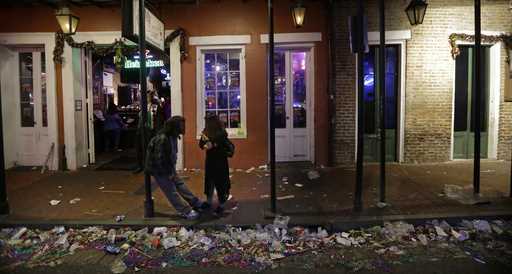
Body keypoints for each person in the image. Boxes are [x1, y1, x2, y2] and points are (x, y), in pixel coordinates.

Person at [145, 116, 208, 220]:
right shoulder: (163, 138)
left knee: (180, 184)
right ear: (175, 126)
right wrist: (168, 173)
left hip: (168, 167)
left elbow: (170, 155)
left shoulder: (173, 136)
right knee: (171, 190)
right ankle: (185, 211)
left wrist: (171, 171)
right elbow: (159, 158)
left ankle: (195, 202)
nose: (184, 127)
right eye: (181, 125)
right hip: (159, 169)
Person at [199, 114, 231, 216]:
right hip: (210, 160)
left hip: (220, 161)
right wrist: (204, 145)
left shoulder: (221, 132)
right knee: (210, 181)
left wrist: (214, 145)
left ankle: (221, 205)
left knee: (221, 182)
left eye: (208, 121)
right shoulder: (206, 131)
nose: (207, 123)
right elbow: (200, 144)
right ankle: (209, 201)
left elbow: (224, 145)